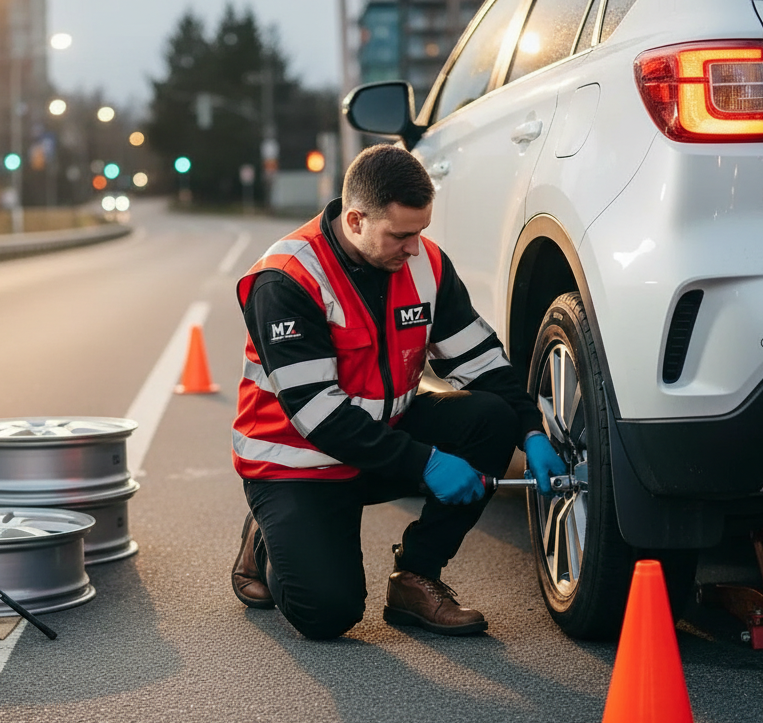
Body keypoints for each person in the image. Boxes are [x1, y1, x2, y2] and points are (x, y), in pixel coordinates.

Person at [230, 144, 566, 640]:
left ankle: (417, 577)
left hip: (381, 437)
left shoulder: (425, 263)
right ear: (356, 219)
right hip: (297, 461)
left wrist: (531, 430)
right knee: (328, 613)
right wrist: (425, 463)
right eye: (401, 235)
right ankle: (266, 537)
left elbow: (481, 361)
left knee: (492, 418)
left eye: (421, 232)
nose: (414, 248)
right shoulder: (286, 279)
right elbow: (318, 415)